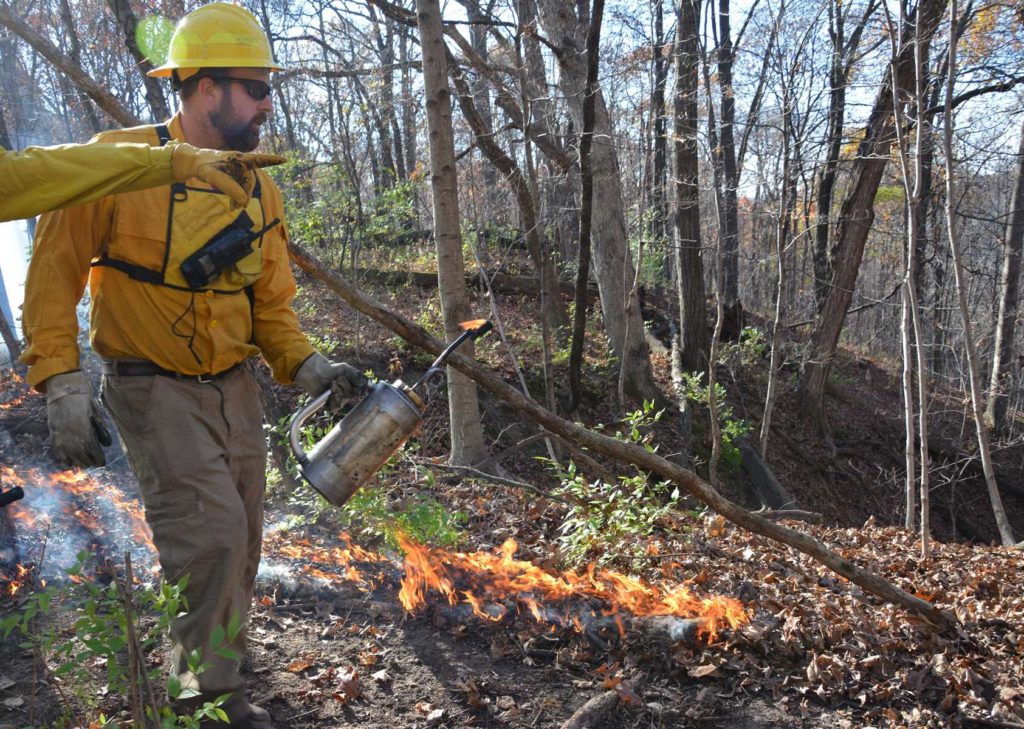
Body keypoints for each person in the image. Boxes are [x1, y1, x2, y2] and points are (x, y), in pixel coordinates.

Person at [20, 4, 364, 727]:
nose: (269, 101)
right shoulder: (119, 161)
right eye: (255, 86)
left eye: (269, 86)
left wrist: (308, 366)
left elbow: (272, 302)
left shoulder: (257, 185)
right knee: (208, 539)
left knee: (241, 540)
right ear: (205, 89)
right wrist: (61, 377)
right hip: (152, 387)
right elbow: (52, 272)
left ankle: (215, 666)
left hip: (234, 389)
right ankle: (207, 702)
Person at [0, 140, 285, 221]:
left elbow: (20, 176)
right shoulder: (112, 142)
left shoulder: (266, 189)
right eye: (256, 89)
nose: (268, 104)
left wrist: (181, 160)